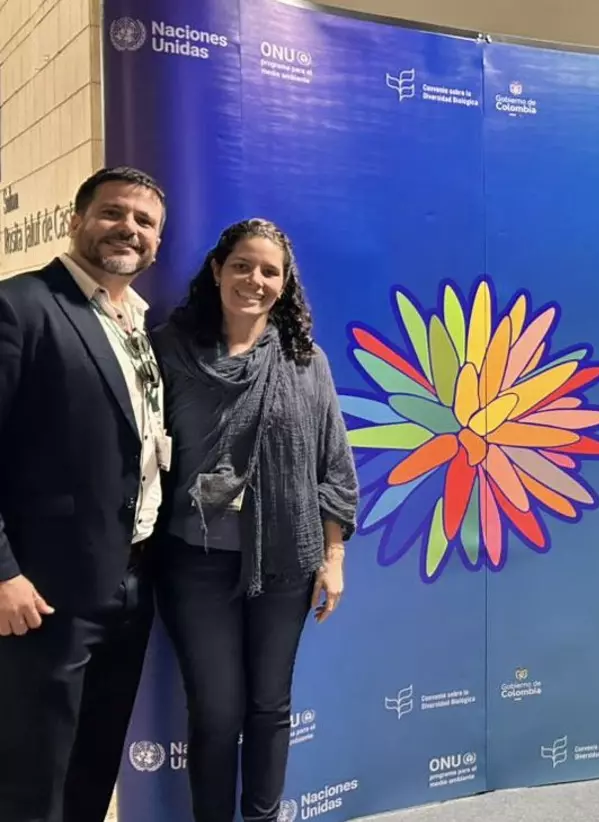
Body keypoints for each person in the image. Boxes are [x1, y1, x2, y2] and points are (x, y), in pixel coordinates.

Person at [150, 218, 358, 822]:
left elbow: (334, 464)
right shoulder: (168, 352)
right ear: (217, 270)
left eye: (270, 271)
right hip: (195, 563)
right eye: (242, 265)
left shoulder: (304, 361)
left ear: (284, 283)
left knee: (269, 705)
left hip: (286, 563)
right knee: (215, 712)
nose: (255, 280)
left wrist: (334, 556)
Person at [0, 166, 168, 822]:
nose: (128, 228)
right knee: (30, 778)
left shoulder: (140, 325)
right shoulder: (21, 307)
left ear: (157, 242)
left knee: (92, 769)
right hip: (43, 592)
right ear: (77, 222)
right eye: (113, 213)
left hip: (129, 583)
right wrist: (4, 573)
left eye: (144, 221)